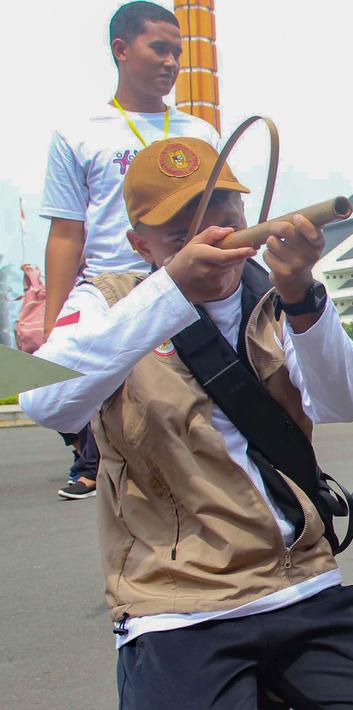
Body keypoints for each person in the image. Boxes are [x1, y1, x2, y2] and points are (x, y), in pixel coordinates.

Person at [20, 138, 353, 709]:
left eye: (226, 220)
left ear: (249, 219)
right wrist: (171, 290)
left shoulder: (276, 296)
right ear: (138, 243)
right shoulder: (107, 301)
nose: (216, 241)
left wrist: (301, 295)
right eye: (181, 234)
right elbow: (44, 400)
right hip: (175, 604)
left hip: (303, 582)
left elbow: (342, 403)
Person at [39, 1, 220, 500]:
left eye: (178, 53)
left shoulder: (200, 134)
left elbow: (219, 216)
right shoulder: (79, 132)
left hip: (188, 289)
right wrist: (56, 321)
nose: (171, 63)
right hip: (115, 292)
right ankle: (96, 464)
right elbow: (66, 232)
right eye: (158, 48)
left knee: (196, 414)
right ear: (121, 50)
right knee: (121, 416)